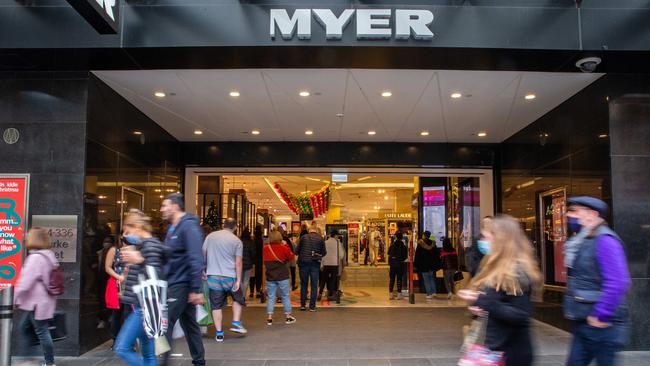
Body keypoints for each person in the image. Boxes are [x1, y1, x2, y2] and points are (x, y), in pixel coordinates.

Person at [458, 215, 543, 366]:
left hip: (510, 352)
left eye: (488, 237)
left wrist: (482, 300)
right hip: (498, 347)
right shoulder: (496, 264)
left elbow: (520, 314)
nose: (483, 242)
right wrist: (480, 303)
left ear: (502, 240)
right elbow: (500, 302)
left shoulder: (517, 270)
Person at [563, 197, 631, 366]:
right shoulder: (585, 239)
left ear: (592, 214)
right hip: (585, 320)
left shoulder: (605, 240)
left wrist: (601, 314)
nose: (569, 216)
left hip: (602, 324)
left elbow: (618, 281)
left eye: (575, 211)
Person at [113, 209, 167, 366]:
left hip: (144, 308)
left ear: (137, 227)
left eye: (127, 230)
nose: (124, 235)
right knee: (148, 353)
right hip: (143, 306)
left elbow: (155, 274)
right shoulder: (145, 245)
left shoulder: (150, 246)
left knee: (122, 347)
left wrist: (140, 261)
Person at [160, 193, 206, 366]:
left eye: (165, 205)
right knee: (190, 325)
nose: (162, 209)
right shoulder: (173, 228)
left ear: (175, 206)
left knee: (164, 326)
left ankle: (162, 362)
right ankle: (199, 361)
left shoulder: (188, 227)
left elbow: (196, 257)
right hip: (177, 283)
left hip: (181, 285)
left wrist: (195, 289)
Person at [14, 228, 59, 366]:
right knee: (24, 327)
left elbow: (25, 282)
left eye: (28, 236)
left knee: (41, 331)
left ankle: (48, 362)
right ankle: (28, 358)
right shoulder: (49, 255)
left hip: (36, 302)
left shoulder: (35, 258)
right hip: (43, 301)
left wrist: (15, 297)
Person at [203, 218, 248, 342]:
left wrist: (203, 270)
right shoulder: (236, 241)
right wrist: (239, 280)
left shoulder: (211, 236)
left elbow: (203, 253)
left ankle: (219, 333)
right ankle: (236, 322)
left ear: (223, 225)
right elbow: (238, 262)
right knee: (238, 298)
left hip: (213, 276)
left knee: (216, 305)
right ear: (235, 227)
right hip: (230, 276)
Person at [263, 230, 297, 325]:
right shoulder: (284, 247)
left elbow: (264, 261)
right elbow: (291, 257)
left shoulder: (265, 248)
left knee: (271, 297)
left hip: (270, 276)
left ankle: (269, 318)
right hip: (282, 275)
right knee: (285, 296)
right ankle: (288, 317)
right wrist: (286, 245)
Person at [295, 222, 326, 311]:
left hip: (303, 264)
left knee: (304, 284)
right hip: (315, 264)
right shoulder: (320, 239)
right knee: (314, 285)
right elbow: (324, 252)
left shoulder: (303, 238)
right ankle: (312, 306)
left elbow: (296, 251)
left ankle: (303, 305)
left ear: (309, 231)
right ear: (316, 231)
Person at [104, 234, 126, 347]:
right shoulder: (114, 249)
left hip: (131, 284)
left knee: (129, 313)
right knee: (117, 312)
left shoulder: (133, 249)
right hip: (118, 284)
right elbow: (107, 267)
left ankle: (128, 341)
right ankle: (116, 340)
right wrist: (119, 277)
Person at [318, 230, 346, 301]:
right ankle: (330, 295)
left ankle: (320, 293)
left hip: (326, 264)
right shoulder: (338, 243)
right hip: (334, 264)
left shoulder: (325, 243)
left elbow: (322, 254)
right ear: (335, 235)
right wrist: (338, 259)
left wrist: (322, 264)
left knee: (323, 279)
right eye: (337, 236)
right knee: (333, 280)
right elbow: (341, 254)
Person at [415, 230, 438, 299]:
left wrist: (416, 264)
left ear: (424, 235)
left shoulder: (420, 244)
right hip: (431, 264)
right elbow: (436, 255)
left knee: (426, 280)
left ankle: (429, 293)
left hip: (423, 265)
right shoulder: (433, 244)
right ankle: (434, 292)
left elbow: (417, 255)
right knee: (431, 278)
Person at [388, 231, 408, 300]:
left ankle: (391, 294)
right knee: (399, 279)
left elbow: (388, 254)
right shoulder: (403, 246)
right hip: (400, 264)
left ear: (396, 237)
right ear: (402, 238)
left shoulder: (392, 245)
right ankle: (399, 294)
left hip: (392, 265)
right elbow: (405, 257)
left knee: (392, 279)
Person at [240, 226, 257, 301]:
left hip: (239, 263)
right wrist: (253, 261)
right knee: (246, 280)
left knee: (240, 280)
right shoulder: (251, 243)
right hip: (248, 263)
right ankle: (243, 296)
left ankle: (240, 295)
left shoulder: (239, 242)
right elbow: (253, 253)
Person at [249, 225, 264, 299]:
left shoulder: (252, 241)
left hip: (253, 261)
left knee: (252, 277)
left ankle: (251, 292)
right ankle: (258, 291)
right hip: (260, 261)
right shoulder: (262, 241)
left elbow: (251, 252)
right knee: (259, 276)